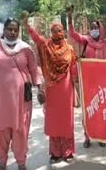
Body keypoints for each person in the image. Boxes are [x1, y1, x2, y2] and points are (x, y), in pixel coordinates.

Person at [0, 0, 42, 170]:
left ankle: (21, 162)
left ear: (18, 32)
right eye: (9, 29)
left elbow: (34, 70)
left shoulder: (26, 48)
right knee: (1, 131)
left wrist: (40, 89)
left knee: (21, 131)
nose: (12, 32)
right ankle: (2, 161)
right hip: (2, 100)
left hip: (22, 101)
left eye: (15, 30)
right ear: (4, 30)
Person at [22, 12, 78, 163]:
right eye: (54, 31)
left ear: (63, 32)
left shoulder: (70, 49)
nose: (57, 33)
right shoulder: (46, 46)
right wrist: (27, 25)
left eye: (60, 30)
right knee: (54, 120)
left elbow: (73, 67)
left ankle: (67, 151)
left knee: (67, 120)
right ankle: (55, 152)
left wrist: (77, 86)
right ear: (51, 33)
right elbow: (36, 38)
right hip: (52, 89)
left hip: (66, 89)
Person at [67, 6, 106, 148]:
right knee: (87, 111)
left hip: (102, 84)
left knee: (101, 110)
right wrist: (69, 17)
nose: (94, 30)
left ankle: (102, 136)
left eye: (95, 27)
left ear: (100, 29)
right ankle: (87, 136)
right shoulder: (86, 40)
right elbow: (73, 34)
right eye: (92, 27)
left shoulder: (105, 46)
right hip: (88, 83)